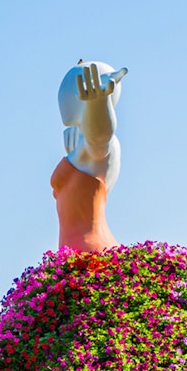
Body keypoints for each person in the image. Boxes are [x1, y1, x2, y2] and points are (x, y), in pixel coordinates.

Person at [52, 61, 127, 252]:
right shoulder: (79, 144)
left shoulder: (102, 146)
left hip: (92, 254)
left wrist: (98, 104)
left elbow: (100, 140)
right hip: (74, 255)